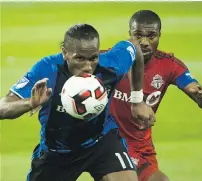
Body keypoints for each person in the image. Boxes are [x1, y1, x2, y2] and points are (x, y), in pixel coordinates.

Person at [0, 24, 155, 181]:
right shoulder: (48, 70)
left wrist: (136, 100)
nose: (88, 67)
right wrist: (30, 103)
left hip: (101, 142)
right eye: (79, 58)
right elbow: (3, 107)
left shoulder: (110, 65)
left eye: (93, 58)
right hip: (57, 152)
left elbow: (134, 46)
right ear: (65, 53)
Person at [109, 10, 202, 181]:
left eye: (151, 36)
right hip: (109, 141)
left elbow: (198, 94)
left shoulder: (169, 65)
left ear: (159, 36)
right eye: (138, 35)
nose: (144, 42)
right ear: (129, 35)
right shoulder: (112, 59)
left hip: (140, 145)